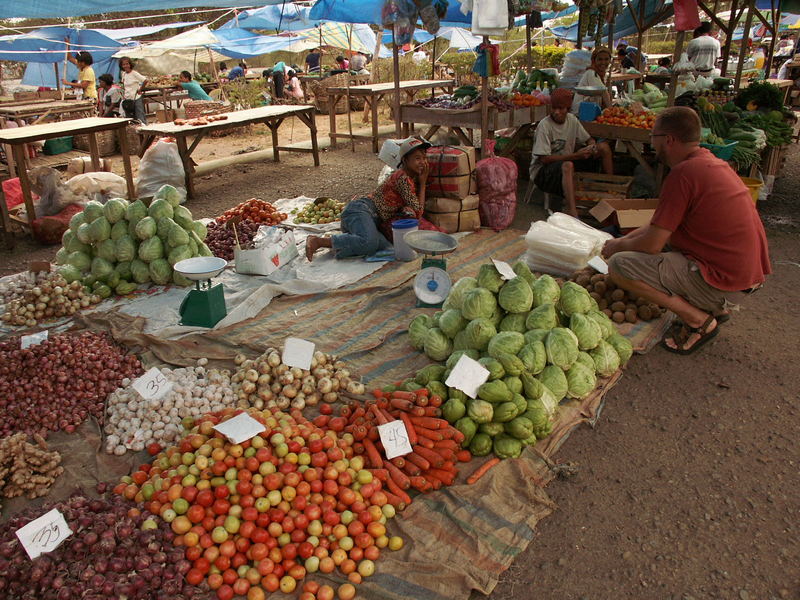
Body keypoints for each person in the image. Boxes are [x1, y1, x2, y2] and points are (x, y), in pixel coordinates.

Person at [601, 107, 770, 354]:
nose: (652, 143)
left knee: (620, 266)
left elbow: (652, 245)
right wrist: (625, 238)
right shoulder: (709, 163)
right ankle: (711, 307)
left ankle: (699, 321)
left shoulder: (683, 174)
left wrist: (617, 246)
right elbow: (659, 225)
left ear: (668, 140)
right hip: (743, 278)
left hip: (727, 284)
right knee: (634, 250)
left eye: (653, 137)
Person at [306, 136, 431, 261]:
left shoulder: (409, 177)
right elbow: (418, 212)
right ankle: (319, 241)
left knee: (384, 246)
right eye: (417, 158)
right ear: (405, 160)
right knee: (369, 243)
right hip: (360, 211)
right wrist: (423, 183)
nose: (423, 162)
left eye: (424, 158)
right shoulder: (403, 178)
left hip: (367, 219)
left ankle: (346, 242)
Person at [529, 88, 613, 217]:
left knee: (603, 147)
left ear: (568, 108)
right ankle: (572, 212)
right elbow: (544, 159)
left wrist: (592, 147)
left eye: (561, 108)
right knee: (568, 166)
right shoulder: (544, 126)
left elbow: (588, 139)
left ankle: (611, 191)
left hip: (566, 162)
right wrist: (576, 155)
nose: (557, 112)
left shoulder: (572, 120)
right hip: (543, 173)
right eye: (554, 108)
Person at [572, 46, 612, 114]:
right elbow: (603, 91)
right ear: (594, 60)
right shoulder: (591, 73)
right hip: (581, 113)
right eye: (600, 59)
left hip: (590, 110)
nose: (603, 62)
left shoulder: (601, 74)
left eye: (606, 59)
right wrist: (611, 110)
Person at [118, 56, 148, 124]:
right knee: (130, 118)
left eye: (127, 64)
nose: (126, 66)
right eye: (124, 64)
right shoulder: (124, 74)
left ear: (130, 64)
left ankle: (145, 132)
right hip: (128, 99)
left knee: (140, 116)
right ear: (121, 66)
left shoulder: (134, 73)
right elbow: (123, 84)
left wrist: (140, 90)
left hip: (136, 98)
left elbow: (145, 80)